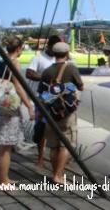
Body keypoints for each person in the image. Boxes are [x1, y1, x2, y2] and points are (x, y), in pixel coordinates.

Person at [0, 36, 34, 185]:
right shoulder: (14, 63)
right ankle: (3, 181)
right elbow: (19, 86)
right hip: (9, 109)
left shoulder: (1, 62)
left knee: (3, 145)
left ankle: (4, 178)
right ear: (19, 49)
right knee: (6, 147)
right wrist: (29, 105)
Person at [38, 42, 83, 184]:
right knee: (65, 144)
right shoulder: (71, 69)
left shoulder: (46, 71)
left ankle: (55, 173)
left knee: (53, 145)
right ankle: (58, 175)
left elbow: (42, 93)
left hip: (51, 112)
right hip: (66, 113)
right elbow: (81, 87)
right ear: (67, 53)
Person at [25, 35, 61, 167]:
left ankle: (56, 159)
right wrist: (45, 77)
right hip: (40, 99)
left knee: (55, 128)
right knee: (41, 128)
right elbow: (29, 73)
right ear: (49, 46)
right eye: (54, 48)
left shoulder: (60, 59)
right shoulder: (38, 58)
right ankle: (40, 157)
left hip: (55, 98)